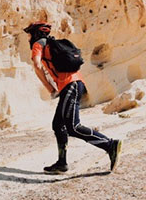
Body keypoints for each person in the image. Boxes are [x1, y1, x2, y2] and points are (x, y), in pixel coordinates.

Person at [24, 21, 122, 173]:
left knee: (73, 126)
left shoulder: (38, 44)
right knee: (58, 124)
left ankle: (110, 145)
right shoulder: (51, 44)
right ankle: (62, 163)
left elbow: (37, 65)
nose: (28, 38)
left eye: (29, 34)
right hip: (74, 84)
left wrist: (50, 87)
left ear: (35, 34)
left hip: (70, 85)